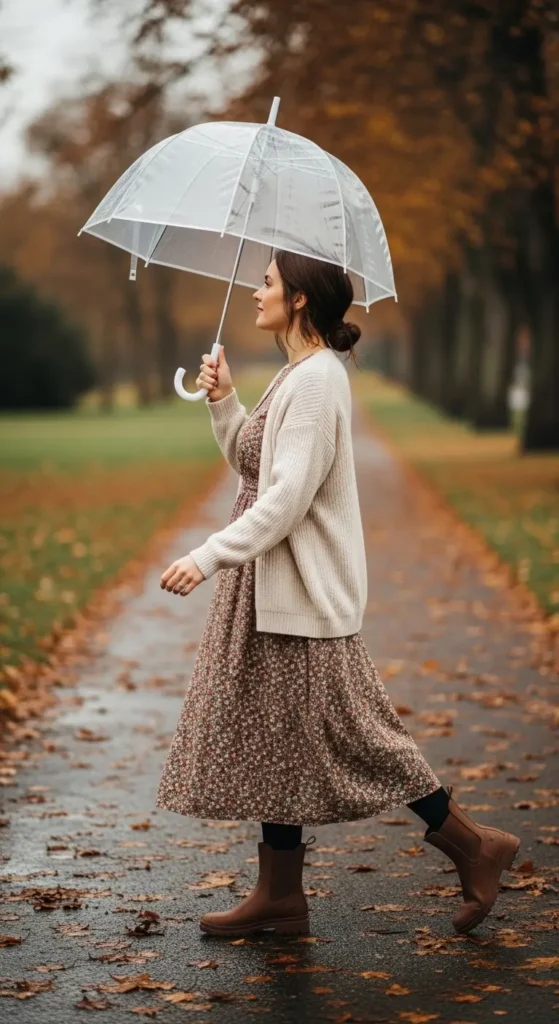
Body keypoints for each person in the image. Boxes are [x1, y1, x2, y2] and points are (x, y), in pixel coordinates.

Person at [156, 250, 520, 939]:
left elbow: (286, 499)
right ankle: (281, 895)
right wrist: (224, 400)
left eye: (265, 283)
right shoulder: (297, 375)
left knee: (357, 734)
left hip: (300, 596)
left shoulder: (318, 380)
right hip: (270, 589)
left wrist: (207, 555)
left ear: (298, 299)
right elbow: (254, 466)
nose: (255, 292)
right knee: (280, 741)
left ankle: (475, 845)